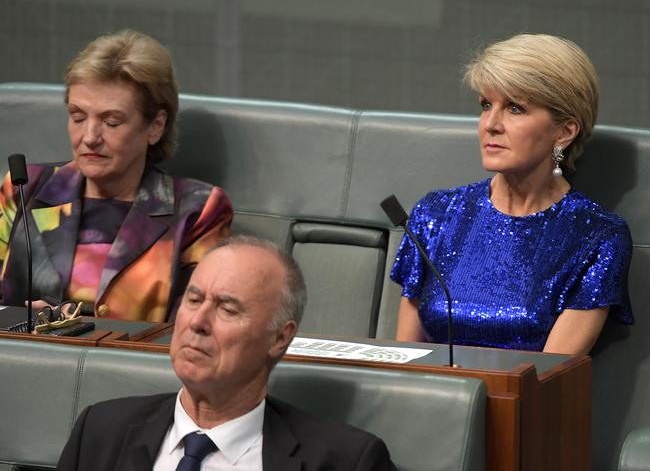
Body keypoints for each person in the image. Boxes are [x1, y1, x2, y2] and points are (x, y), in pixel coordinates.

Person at [57, 236, 397, 470]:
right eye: (193, 300)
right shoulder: (100, 432)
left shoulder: (347, 462)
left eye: (227, 309)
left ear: (279, 338)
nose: (198, 322)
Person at [391, 34, 633, 355]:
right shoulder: (436, 214)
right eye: (486, 105)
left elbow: (549, 379)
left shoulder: (597, 237)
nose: (490, 124)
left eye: (515, 108)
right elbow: (401, 361)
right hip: (430, 401)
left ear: (565, 131)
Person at [0, 29, 232, 321]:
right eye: (78, 117)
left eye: (111, 122)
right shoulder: (24, 188)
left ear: (155, 127)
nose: (90, 137)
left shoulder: (197, 211)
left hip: (132, 364)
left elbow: (197, 326)